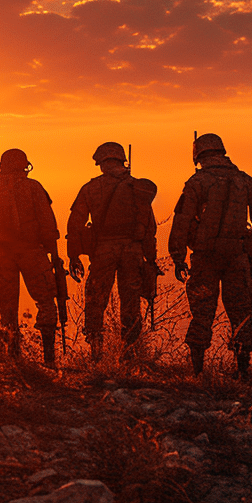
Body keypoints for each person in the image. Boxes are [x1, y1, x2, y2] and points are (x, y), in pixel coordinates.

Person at [168, 133, 252, 379]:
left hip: (205, 258)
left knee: (202, 312)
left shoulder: (197, 182)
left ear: (199, 155)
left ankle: (197, 372)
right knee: (241, 312)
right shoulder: (246, 181)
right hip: (238, 257)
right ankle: (242, 371)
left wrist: (178, 257)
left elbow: (181, 221)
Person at [66, 142, 158, 363]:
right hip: (132, 251)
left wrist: (73, 256)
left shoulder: (91, 188)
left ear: (101, 163)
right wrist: (151, 259)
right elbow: (149, 226)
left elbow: (75, 223)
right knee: (131, 302)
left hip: (103, 250)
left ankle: (96, 352)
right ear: (121, 160)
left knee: (96, 299)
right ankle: (130, 354)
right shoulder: (138, 187)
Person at [0, 148, 61, 374]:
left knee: (7, 308)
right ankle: (49, 359)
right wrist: (54, 254)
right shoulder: (32, 187)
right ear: (24, 164)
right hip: (32, 252)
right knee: (45, 301)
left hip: (2, 255)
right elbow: (47, 222)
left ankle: (14, 359)